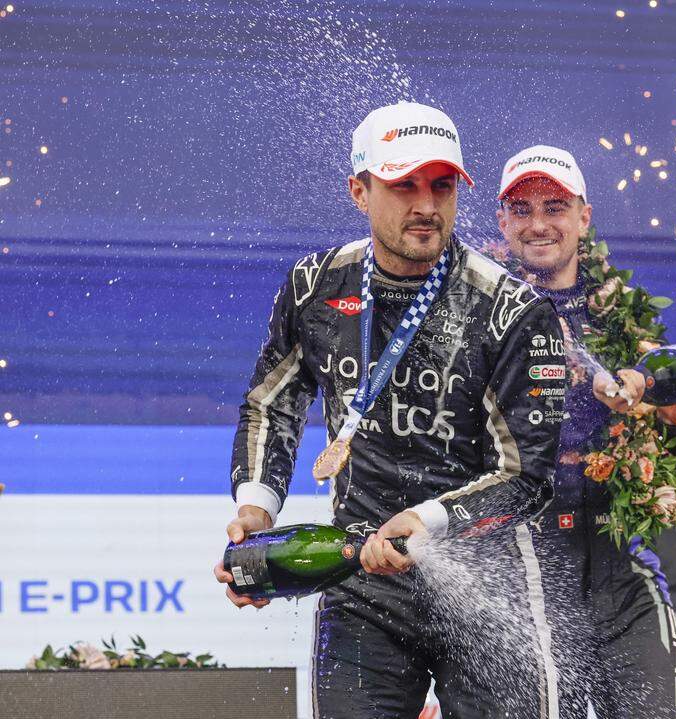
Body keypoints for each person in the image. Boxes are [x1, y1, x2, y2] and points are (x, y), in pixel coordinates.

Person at [213, 101, 566, 719]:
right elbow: (272, 403)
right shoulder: (317, 285)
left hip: (486, 584)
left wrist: (427, 520)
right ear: (359, 191)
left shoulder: (513, 309)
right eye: (405, 185)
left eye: (442, 186)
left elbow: (528, 476)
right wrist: (256, 509)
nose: (426, 205)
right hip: (359, 580)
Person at [497, 145, 676, 718]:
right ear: (503, 222)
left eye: (554, 207)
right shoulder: (480, 320)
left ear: (584, 218)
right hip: (518, 583)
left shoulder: (627, 328)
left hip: (619, 572)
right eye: (522, 210)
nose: (538, 223)